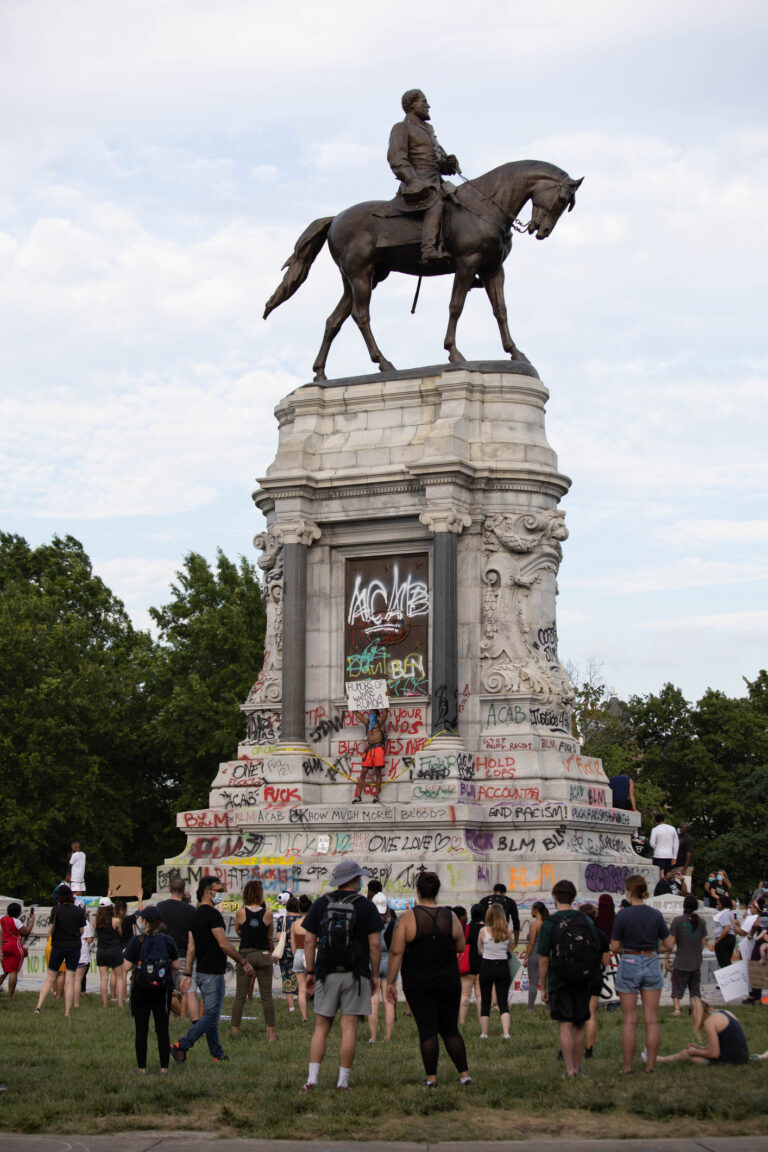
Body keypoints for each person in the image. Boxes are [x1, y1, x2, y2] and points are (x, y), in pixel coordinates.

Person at [301, 860, 382, 1090]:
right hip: (356, 973)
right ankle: (342, 1081)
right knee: (349, 1028)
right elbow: (375, 944)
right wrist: (374, 974)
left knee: (321, 1027)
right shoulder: (366, 906)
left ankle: (312, 1079)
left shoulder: (321, 903)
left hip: (326, 972)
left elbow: (309, 941)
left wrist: (310, 971)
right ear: (355, 880)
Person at [386, 871, 471, 1088]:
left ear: (417, 890)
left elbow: (396, 952)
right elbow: (460, 946)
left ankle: (432, 1079)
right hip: (448, 979)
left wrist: (390, 982)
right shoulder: (450, 917)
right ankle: (464, 1074)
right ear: (437, 891)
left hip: (419, 981)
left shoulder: (407, 918)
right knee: (450, 1029)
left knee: (427, 1030)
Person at [170, 876, 255, 1065]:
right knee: (212, 1015)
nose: (221, 894)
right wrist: (243, 962)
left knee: (211, 1015)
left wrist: (189, 974)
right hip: (213, 973)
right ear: (208, 892)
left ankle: (217, 1053)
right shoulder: (213, 915)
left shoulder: (195, 915)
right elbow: (223, 944)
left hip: (201, 972)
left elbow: (191, 948)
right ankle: (182, 1045)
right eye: (219, 890)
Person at [537, 879, 601, 1079]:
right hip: (583, 977)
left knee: (565, 1025)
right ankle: (579, 1069)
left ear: (554, 897)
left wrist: (543, 986)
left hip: (560, 979)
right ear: (574, 898)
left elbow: (544, 959)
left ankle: (569, 1069)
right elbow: (596, 947)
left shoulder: (550, 923)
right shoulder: (585, 920)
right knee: (580, 1023)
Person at [387, 89, 461, 264]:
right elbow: (396, 157)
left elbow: (439, 161)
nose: (428, 106)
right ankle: (428, 249)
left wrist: (449, 163)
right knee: (436, 203)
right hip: (419, 182)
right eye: (424, 101)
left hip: (436, 182)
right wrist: (412, 180)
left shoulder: (428, 130)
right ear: (412, 104)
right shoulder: (402, 127)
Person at [610, 874, 674, 1074]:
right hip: (650, 960)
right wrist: (654, 949)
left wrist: (628, 949)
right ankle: (651, 1065)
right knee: (651, 1020)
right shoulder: (655, 914)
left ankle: (628, 1067)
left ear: (629, 892)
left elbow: (615, 946)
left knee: (630, 1020)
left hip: (629, 960)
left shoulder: (623, 915)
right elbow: (669, 944)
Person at [123, 905, 179, 1074]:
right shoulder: (168, 940)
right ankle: (164, 1068)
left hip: (140, 989)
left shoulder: (137, 941)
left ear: (144, 921)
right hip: (162, 989)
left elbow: (126, 966)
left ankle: (142, 1068)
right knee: (162, 1028)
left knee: (141, 1029)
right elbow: (176, 965)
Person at [231, 879, 276, 1041]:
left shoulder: (241, 913)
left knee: (240, 996)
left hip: (246, 955)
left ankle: (234, 1032)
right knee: (267, 996)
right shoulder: (268, 914)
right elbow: (269, 935)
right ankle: (271, 1034)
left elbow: (238, 930)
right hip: (263, 955)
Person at [34, 884, 86, 1017]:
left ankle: (38, 1007)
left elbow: (51, 929)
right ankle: (67, 1012)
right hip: (74, 947)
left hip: (57, 946)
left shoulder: (56, 909)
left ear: (60, 897)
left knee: (50, 978)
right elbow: (81, 931)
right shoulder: (79, 911)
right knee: (70, 979)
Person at [155, 878, 199, 1021]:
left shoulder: (160, 907)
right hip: (184, 955)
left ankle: (161, 1020)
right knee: (190, 992)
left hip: (164, 955)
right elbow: (194, 937)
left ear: (169, 889)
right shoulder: (190, 910)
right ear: (183, 890)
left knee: (162, 990)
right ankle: (194, 1022)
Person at [655, 1001, 749, 1065]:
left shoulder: (709, 1022)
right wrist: (700, 1048)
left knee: (686, 1054)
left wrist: (695, 1051)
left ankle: (660, 1060)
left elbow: (714, 1053)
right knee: (690, 1053)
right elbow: (724, 1043)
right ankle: (659, 1059)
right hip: (743, 1055)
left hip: (733, 1060)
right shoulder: (725, 1012)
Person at [666, 895, 707, 1036]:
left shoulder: (677, 921)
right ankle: (696, 1010)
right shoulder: (701, 922)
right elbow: (703, 942)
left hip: (681, 960)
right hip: (696, 960)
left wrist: (667, 958)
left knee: (677, 984)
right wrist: (697, 953)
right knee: (695, 987)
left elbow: (671, 942)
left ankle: (677, 1009)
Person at [579, 903, 612, 1060]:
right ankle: (589, 1050)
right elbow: (605, 961)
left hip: (578, 975)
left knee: (576, 1014)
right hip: (595, 975)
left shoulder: (575, 934)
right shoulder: (601, 935)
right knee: (591, 1015)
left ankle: (570, 1048)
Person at [478, 904, 513, 1040]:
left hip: (487, 965)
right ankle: (506, 1033)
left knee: (485, 1001)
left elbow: (479, 949)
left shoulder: (483, 931)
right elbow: (508, 950)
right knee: (503, 1001)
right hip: (502, 966)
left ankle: (484, 1033)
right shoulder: (508, 931)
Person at [368, 892, 396, 1043]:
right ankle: (388, 1037)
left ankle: (373, 1037)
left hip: (373, 962)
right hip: (389, 963)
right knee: (388, 1001)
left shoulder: (369, 923)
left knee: (373, 1002)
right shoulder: (392, 923)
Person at [94, 897, 126, 1008]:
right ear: (110, 908)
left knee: (103, 978)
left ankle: (104, 1004)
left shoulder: (95, 920)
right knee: (119, 978)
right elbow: (120, 933)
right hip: (114, 951)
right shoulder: (116, 921)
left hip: (101, 951)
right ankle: (120, 1004)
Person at [352, 707, 389, 804]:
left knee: (378, 772)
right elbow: (357, 715)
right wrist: (351, 702)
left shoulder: (380, 722)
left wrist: (386, 703)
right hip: (369, 749)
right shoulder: (367, 723)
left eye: (373, 713)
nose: (371, 715)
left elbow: (385, 712)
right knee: (363, 772)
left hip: (378, 748)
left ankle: (376, 796)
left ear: (376, 715)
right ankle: (358, 796)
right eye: (370, 713)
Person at [0, 903, 34, 998]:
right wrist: (32, 921)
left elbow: (10, 926)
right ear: (18, 912)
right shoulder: (17, 922)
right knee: (13, 971)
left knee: (6, 970)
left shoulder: (2, 918)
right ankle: (10, 996)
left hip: (4, 945)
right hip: (14, 946)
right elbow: (26, 932)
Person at [521, 901, 548, 1011]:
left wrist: (526, 957)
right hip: (546, 954)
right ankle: (549, 1007)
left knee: (533, 982)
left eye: (532, 909)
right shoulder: (548, 924)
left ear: (536, 911)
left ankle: (530, 1008)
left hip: (535, 955)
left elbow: (531, 942)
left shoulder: (534, 924)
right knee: (547, 983)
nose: (531, 912)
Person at [460, 903, 484, 1025]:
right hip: (482, 965)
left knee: (465, 995)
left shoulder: (466, 928)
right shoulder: (486, 929)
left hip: (467, 965)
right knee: (480, 996)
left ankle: (462, 1021)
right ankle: (482, 1022)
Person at [276, 895, 301, 1013]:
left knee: (287, 979)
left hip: (285, 953)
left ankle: (291, 1007)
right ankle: (303, 1004)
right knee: (301, 979)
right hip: (300, 952)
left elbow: (278, 937)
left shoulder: (282, 919)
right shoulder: (303, 919)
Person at [477, 883, 520, 949]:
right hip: (504, 932)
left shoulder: (484, 900)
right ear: (504, 893)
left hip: (487, 932)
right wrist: (516, 942)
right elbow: (516, 922)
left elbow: (478, 918)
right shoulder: (510, 901)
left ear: (493, 891)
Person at [291, 893, 312, 1026]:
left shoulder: (294, 924)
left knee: (301, 988)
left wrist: (296, 956)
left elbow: (293, 945)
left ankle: (304, 1016)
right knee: (313, 985)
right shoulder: (313, 923)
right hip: (310, 954)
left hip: (298, 954)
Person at [712, 894, 740, 969]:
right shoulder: (730, 912)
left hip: (724, 939)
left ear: (722, 905)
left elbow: (727, 929)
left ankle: (729, 976)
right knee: (726, 961)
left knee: (724, 964)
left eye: (718, 904)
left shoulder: (724, 914)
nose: (717, 906)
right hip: (731, 938)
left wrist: (718, 940)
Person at [675, 823, 694, 887]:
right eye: (680, 828)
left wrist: (684, 868)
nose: (681, 829)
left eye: (682, 828)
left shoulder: (688, 839)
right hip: (678, 865)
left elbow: (689, 854)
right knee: (678, 885)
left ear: (687, 829)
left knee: (686, 885)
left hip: (685, 867)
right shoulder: (680, 838)